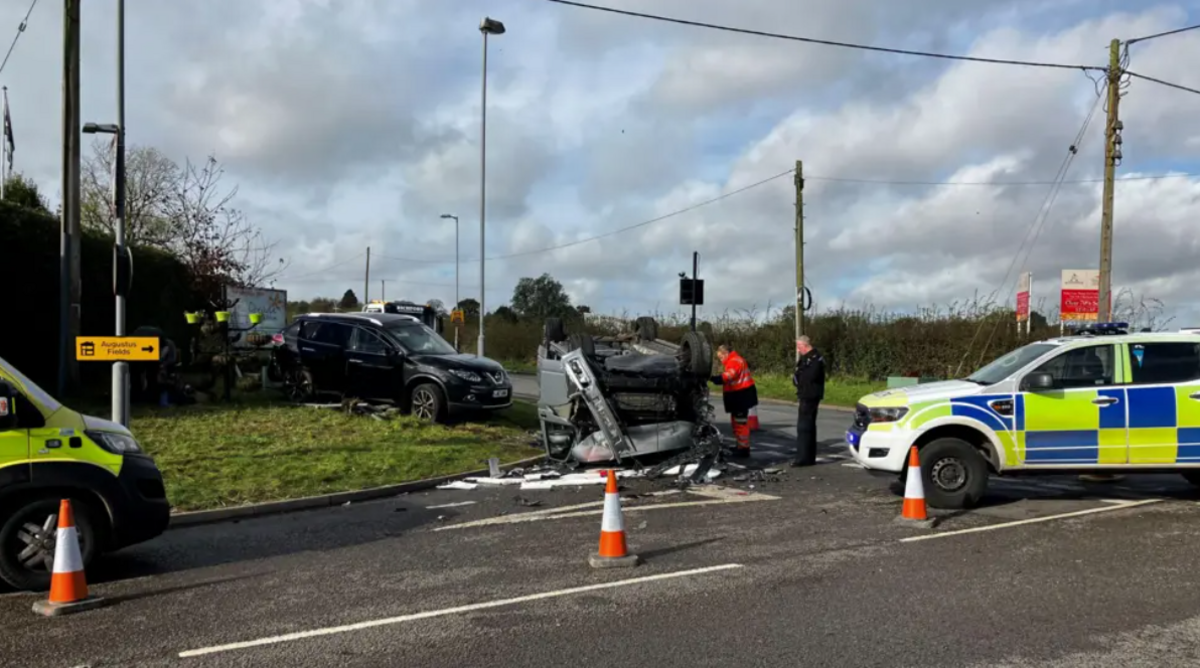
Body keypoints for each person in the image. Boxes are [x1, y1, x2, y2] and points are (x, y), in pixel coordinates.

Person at [709, 343, 758, 458]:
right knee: (737, 422)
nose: (721, 360)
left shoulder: (734, 361)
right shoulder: (736, 360)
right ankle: (740, 446)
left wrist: (713, 378)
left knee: (740, 423)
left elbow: (728, 376)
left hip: (740, 395)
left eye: (721, 357)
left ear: (726, 353)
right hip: (740, 395)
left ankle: (743, 449)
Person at [792, 335, 826, 467]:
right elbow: (796, 376)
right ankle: (806, 456)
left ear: (804, 345)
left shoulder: (815, 358)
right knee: (807, 426)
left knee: (804, 427)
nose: (798, 350)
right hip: (805, 394)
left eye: (799, 347)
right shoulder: (806, 359)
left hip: (810, 395)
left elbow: (808, 377)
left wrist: (799, 377)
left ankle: (803, 458)